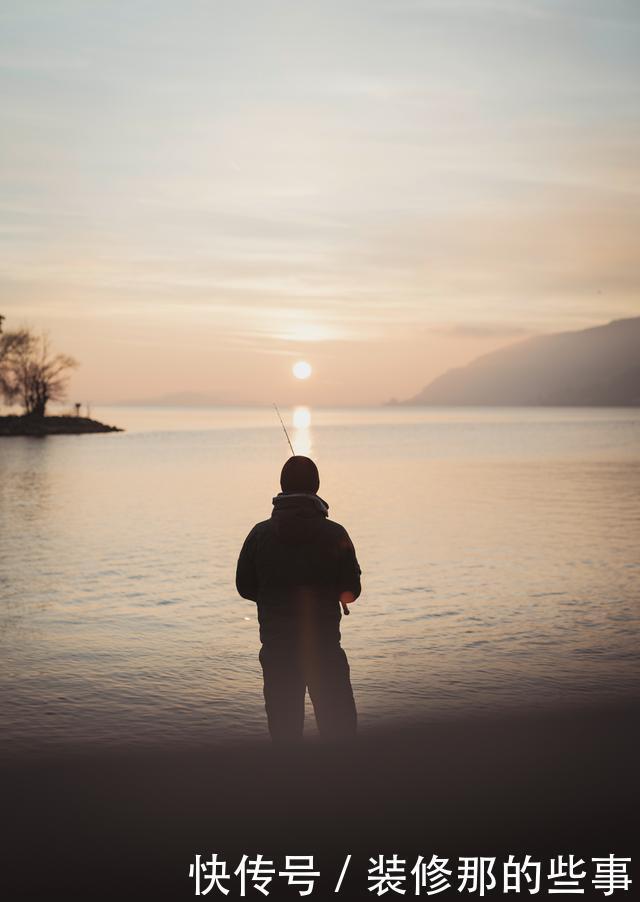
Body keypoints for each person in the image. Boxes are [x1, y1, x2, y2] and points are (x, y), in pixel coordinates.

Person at [236, 455, 361, 743]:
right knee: (340, 736)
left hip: (277, 650)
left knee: (285, 738)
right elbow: (352, 591)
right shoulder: (335, 534)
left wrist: (272, 597)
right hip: (325, 650)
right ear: (316, 486)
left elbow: (244, 586)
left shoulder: (259, 534)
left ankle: (290, 786)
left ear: (282, 486)